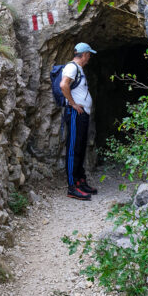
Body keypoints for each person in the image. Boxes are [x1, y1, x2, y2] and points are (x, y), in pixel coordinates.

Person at [60, 42, 98, 200]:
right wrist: (73, 103)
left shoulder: (78, 69)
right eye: (89, 54)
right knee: (73, 149)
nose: (89, 58)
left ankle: (80, 181)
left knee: (80, 148)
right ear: (83, 54)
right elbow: (64, 85)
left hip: (82, 115)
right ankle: (72, 187)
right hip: (75, 114)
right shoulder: (72, 67)